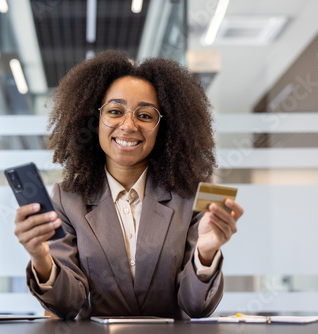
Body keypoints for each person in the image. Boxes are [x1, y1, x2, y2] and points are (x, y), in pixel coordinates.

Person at [13, 50, 244, 320]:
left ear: (164, 128)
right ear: (94, 119)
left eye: (145, 116)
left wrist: (206, 251)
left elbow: (197, 307)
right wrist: (41, 258)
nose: (128, 125)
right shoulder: (67, 199)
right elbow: (68, 304)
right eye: (114, 111)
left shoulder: (191, 196)